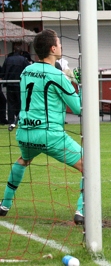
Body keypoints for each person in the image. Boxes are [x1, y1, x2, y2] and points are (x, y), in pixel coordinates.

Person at [0, 29, 85, 225]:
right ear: (53, 48)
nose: (61, 46)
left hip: (25, 133)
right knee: (89, 166)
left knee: (23, 160)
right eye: (59, 43)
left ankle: (4, 204)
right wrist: (80, 85)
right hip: (50, 135)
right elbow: (78, 108)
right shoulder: (57, 75)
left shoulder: (26, 71)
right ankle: (81, 211)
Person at [2, 44, 30, 131]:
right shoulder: (23, 60)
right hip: (20, 85)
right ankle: (20, 120)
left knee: (10, 104)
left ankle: (11, 121)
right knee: (21, 103)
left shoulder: (8, 59)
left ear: (13, 51)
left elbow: (3, 72)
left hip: (9, 84)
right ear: (21, 52)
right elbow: (29, 70)